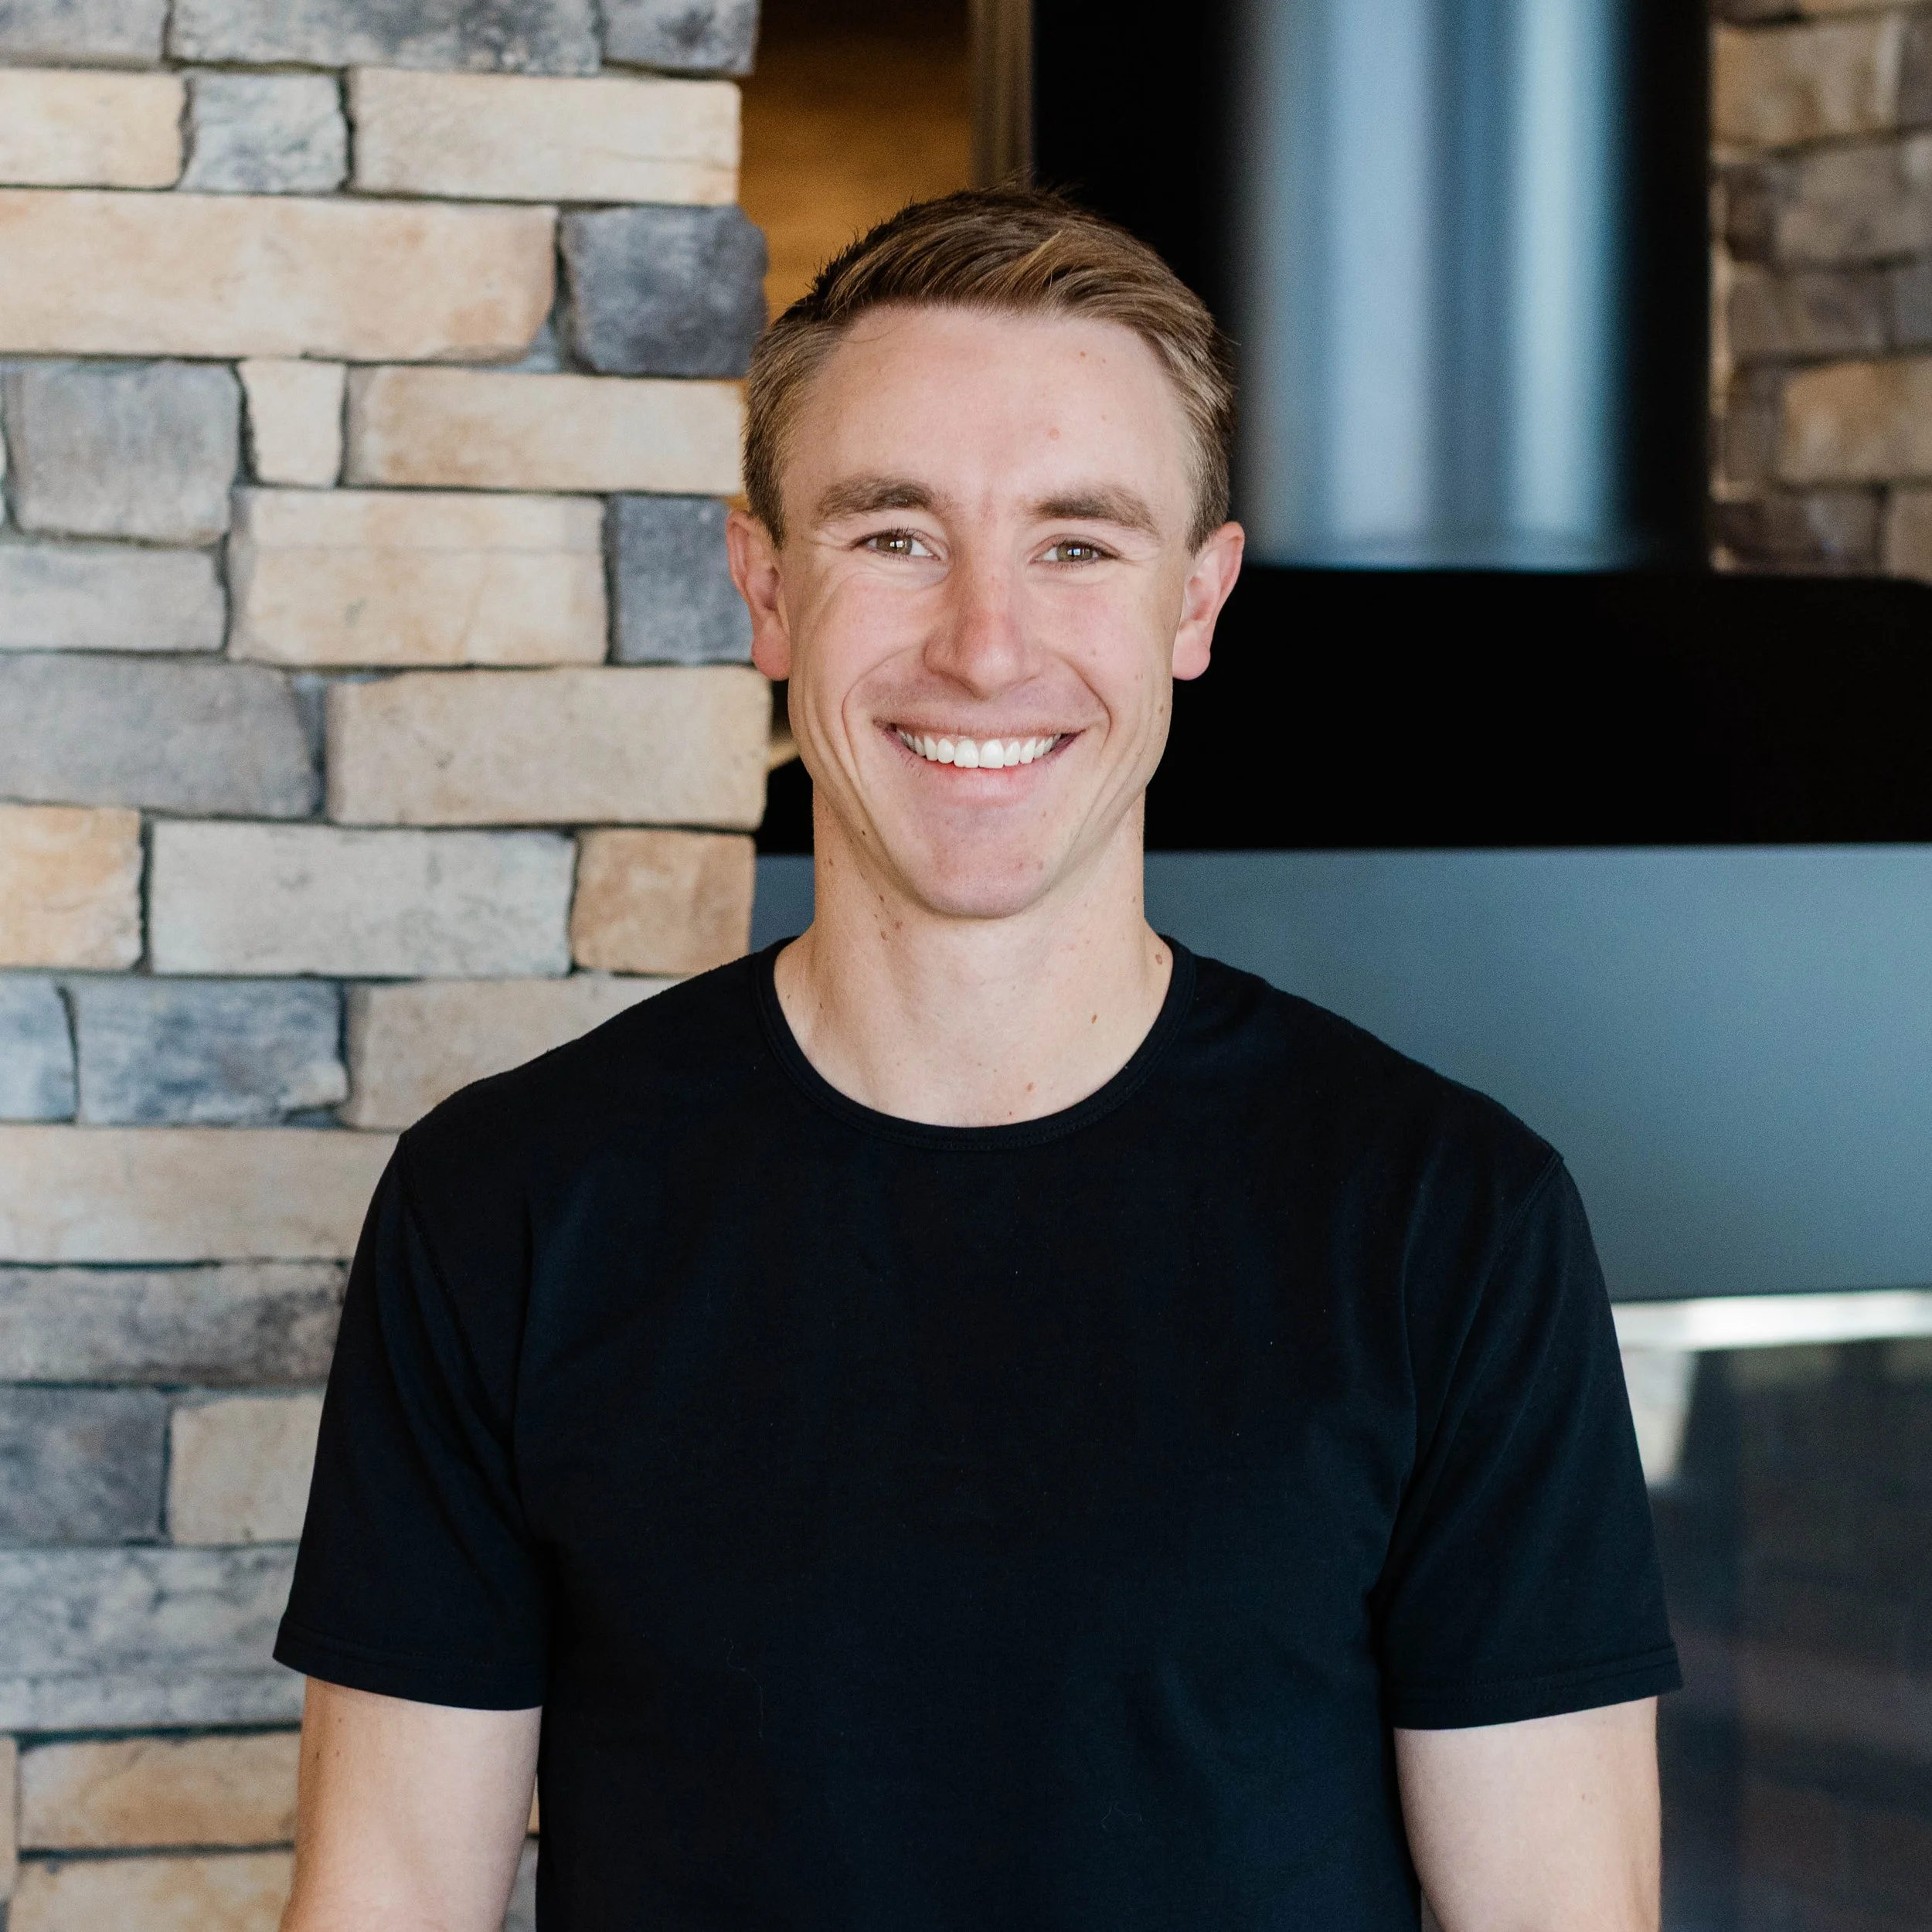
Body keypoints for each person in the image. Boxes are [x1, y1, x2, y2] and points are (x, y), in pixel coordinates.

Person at [276, 188, 1678, 1932]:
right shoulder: (508, 1203)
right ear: (764, 587)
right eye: (895, 537)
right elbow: (387, 1893)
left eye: (1076, 543)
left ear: (1197, 600)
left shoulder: (1445, 1220)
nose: (985, 645)